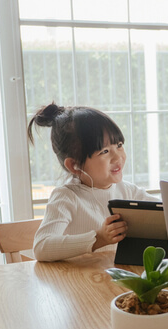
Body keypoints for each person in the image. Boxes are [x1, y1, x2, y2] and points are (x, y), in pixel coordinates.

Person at [27, 103, 158, 261]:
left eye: (119, 145)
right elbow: (42, 248)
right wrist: (100, 237)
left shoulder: (128, 191)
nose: (118, 157)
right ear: (74, 165)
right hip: (80, 282)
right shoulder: (67, 197)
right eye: (104, 151)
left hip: (114, 280)